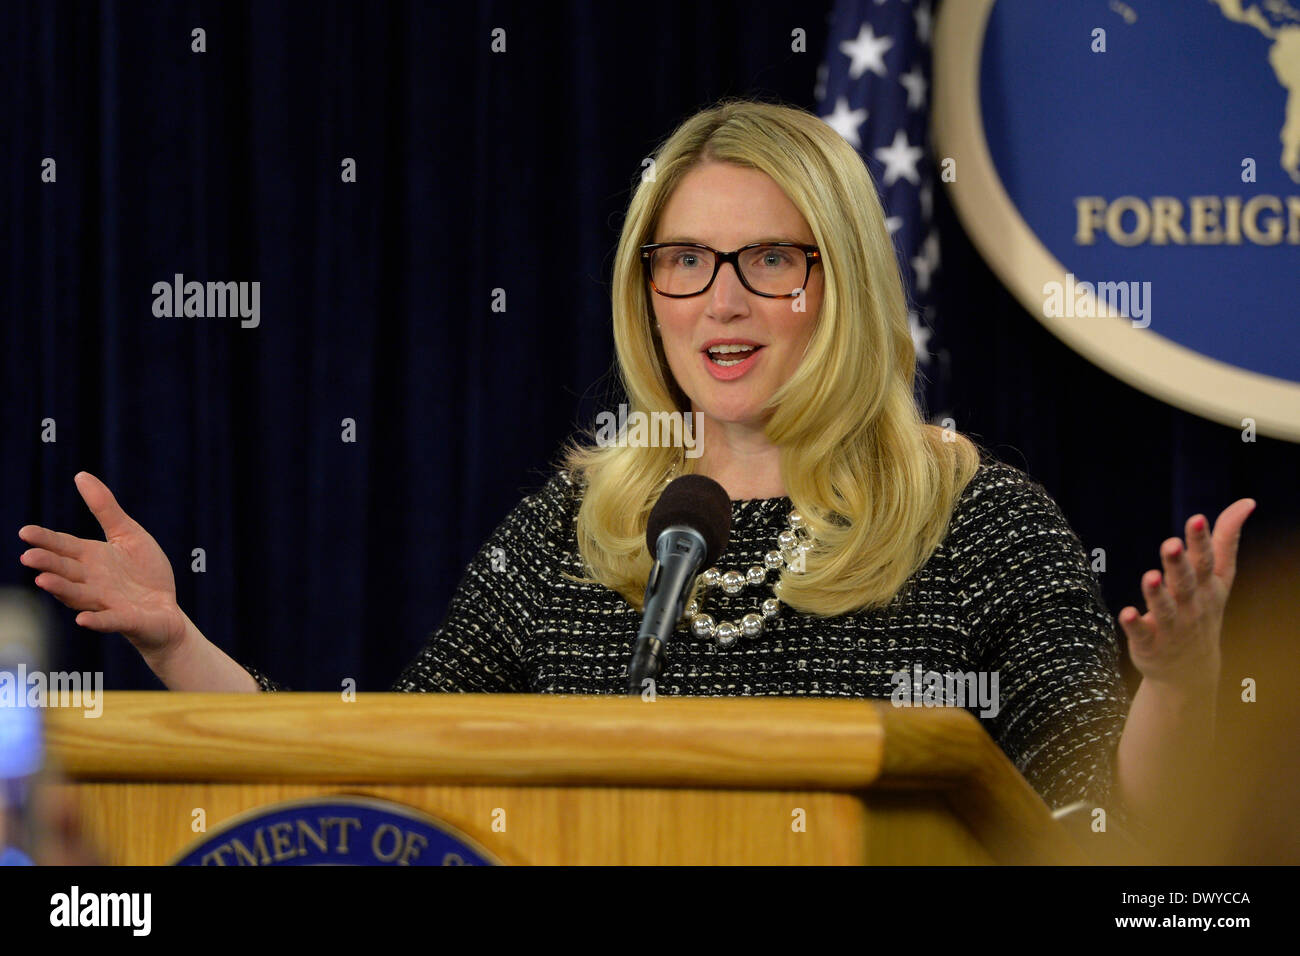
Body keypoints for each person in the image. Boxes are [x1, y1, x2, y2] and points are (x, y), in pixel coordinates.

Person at [16, 99, 1253, 832]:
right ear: (643, 286)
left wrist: (1180, 684)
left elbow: (1105, 820)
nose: (724, 300)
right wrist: (178, 640)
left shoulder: (970, 516)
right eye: (685, 260)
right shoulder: (581, 520)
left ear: (844, 284)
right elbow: (383, 772)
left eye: (772, 258)